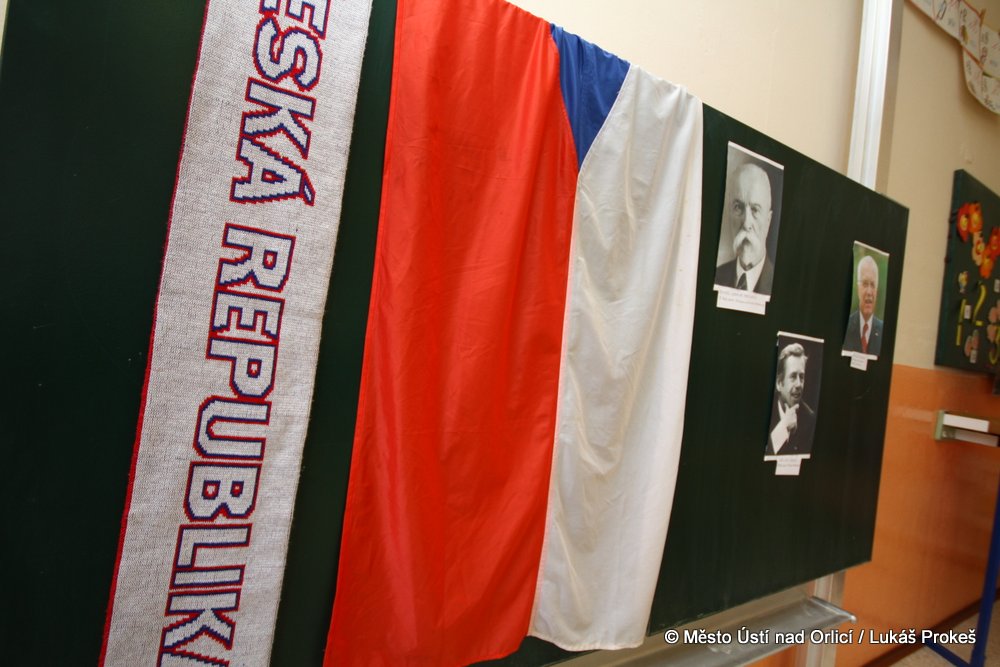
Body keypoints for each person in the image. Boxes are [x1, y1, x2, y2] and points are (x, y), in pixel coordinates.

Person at [715, 162, 775, 294]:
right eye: (738, 207)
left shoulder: (777, 285)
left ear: (768, 221)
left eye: (755, 210)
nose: (747, 223)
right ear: (729, 214)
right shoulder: (717, 277)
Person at [767, 343, 816, 456]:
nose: (799, 384)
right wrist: (783, 427)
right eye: (793, 376)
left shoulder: (809, 418)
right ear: (779, 383)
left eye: (801, 377)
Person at [843, 255, 883, 356]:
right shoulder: (846, 326)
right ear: (858, 289)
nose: (869, 292)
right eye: (865, 284)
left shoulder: (883, 331)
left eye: (873, 285)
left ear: (877, 291)